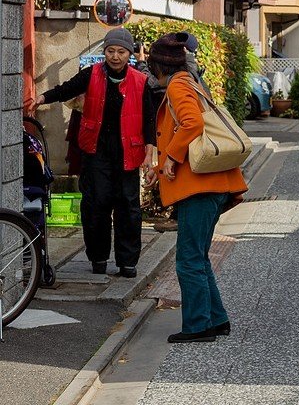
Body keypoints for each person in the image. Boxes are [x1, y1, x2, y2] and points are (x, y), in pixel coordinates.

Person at [144, 32, 247, 343]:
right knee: (198, 256)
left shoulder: (177, 86)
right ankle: (216, 319)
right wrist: (161, 166)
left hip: (199, 188)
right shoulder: (190, 82)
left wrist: (172, 158)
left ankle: (198, 326)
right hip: (212, 185)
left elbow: (192, 123)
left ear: (158, 66)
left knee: (188, 258)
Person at [31, 28, 156, 278]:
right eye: (111, 51)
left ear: (129, 54)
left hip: (128, 151)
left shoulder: (141, 82)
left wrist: (150, 153)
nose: (115, 56)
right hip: (96, 150)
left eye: (121, 52)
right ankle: (98, 257)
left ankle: (127, 262)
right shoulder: (92, 74)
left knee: (128, 207)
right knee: (96, 204)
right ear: (105, 52)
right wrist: (42, 98)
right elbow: (67, 89)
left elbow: (150, 121)